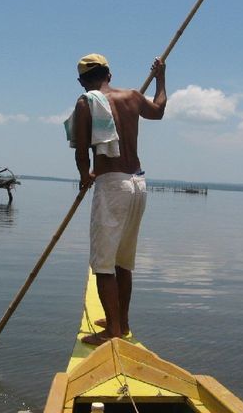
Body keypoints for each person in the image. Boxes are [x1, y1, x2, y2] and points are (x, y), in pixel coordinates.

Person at [70, 53, 166, 345]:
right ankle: (120, 322)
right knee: (123, 261)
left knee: (102, 264)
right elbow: (159, 110)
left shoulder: (86, 102)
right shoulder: (133, 97)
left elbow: (82, 149)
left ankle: (112, 332)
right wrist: (160, 77)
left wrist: (84, 175)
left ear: (81, 82)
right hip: (138, 183)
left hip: (112, 185)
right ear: (109, 74)